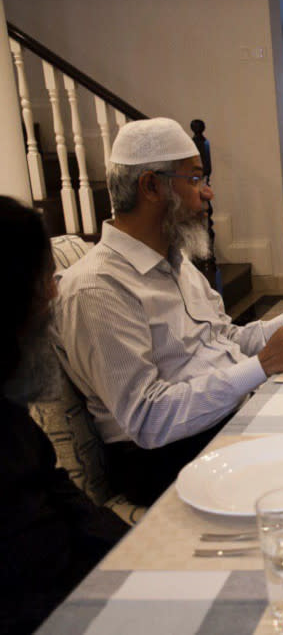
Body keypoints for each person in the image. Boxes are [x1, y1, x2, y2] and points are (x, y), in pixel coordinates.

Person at [53, 117, 283, 506]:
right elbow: (146, 419)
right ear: (151, 186)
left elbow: (225, 339)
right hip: (166, 458)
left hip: (223, 417)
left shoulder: (175, 260)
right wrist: (259, 367)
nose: (207, 192)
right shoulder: (97, 289)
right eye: (194, 179)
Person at [0, 197, 129, 634]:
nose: (55, 291)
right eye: (43, 279)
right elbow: (37, 571)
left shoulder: (10, 412)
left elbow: (67, 502)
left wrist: (140, 555)